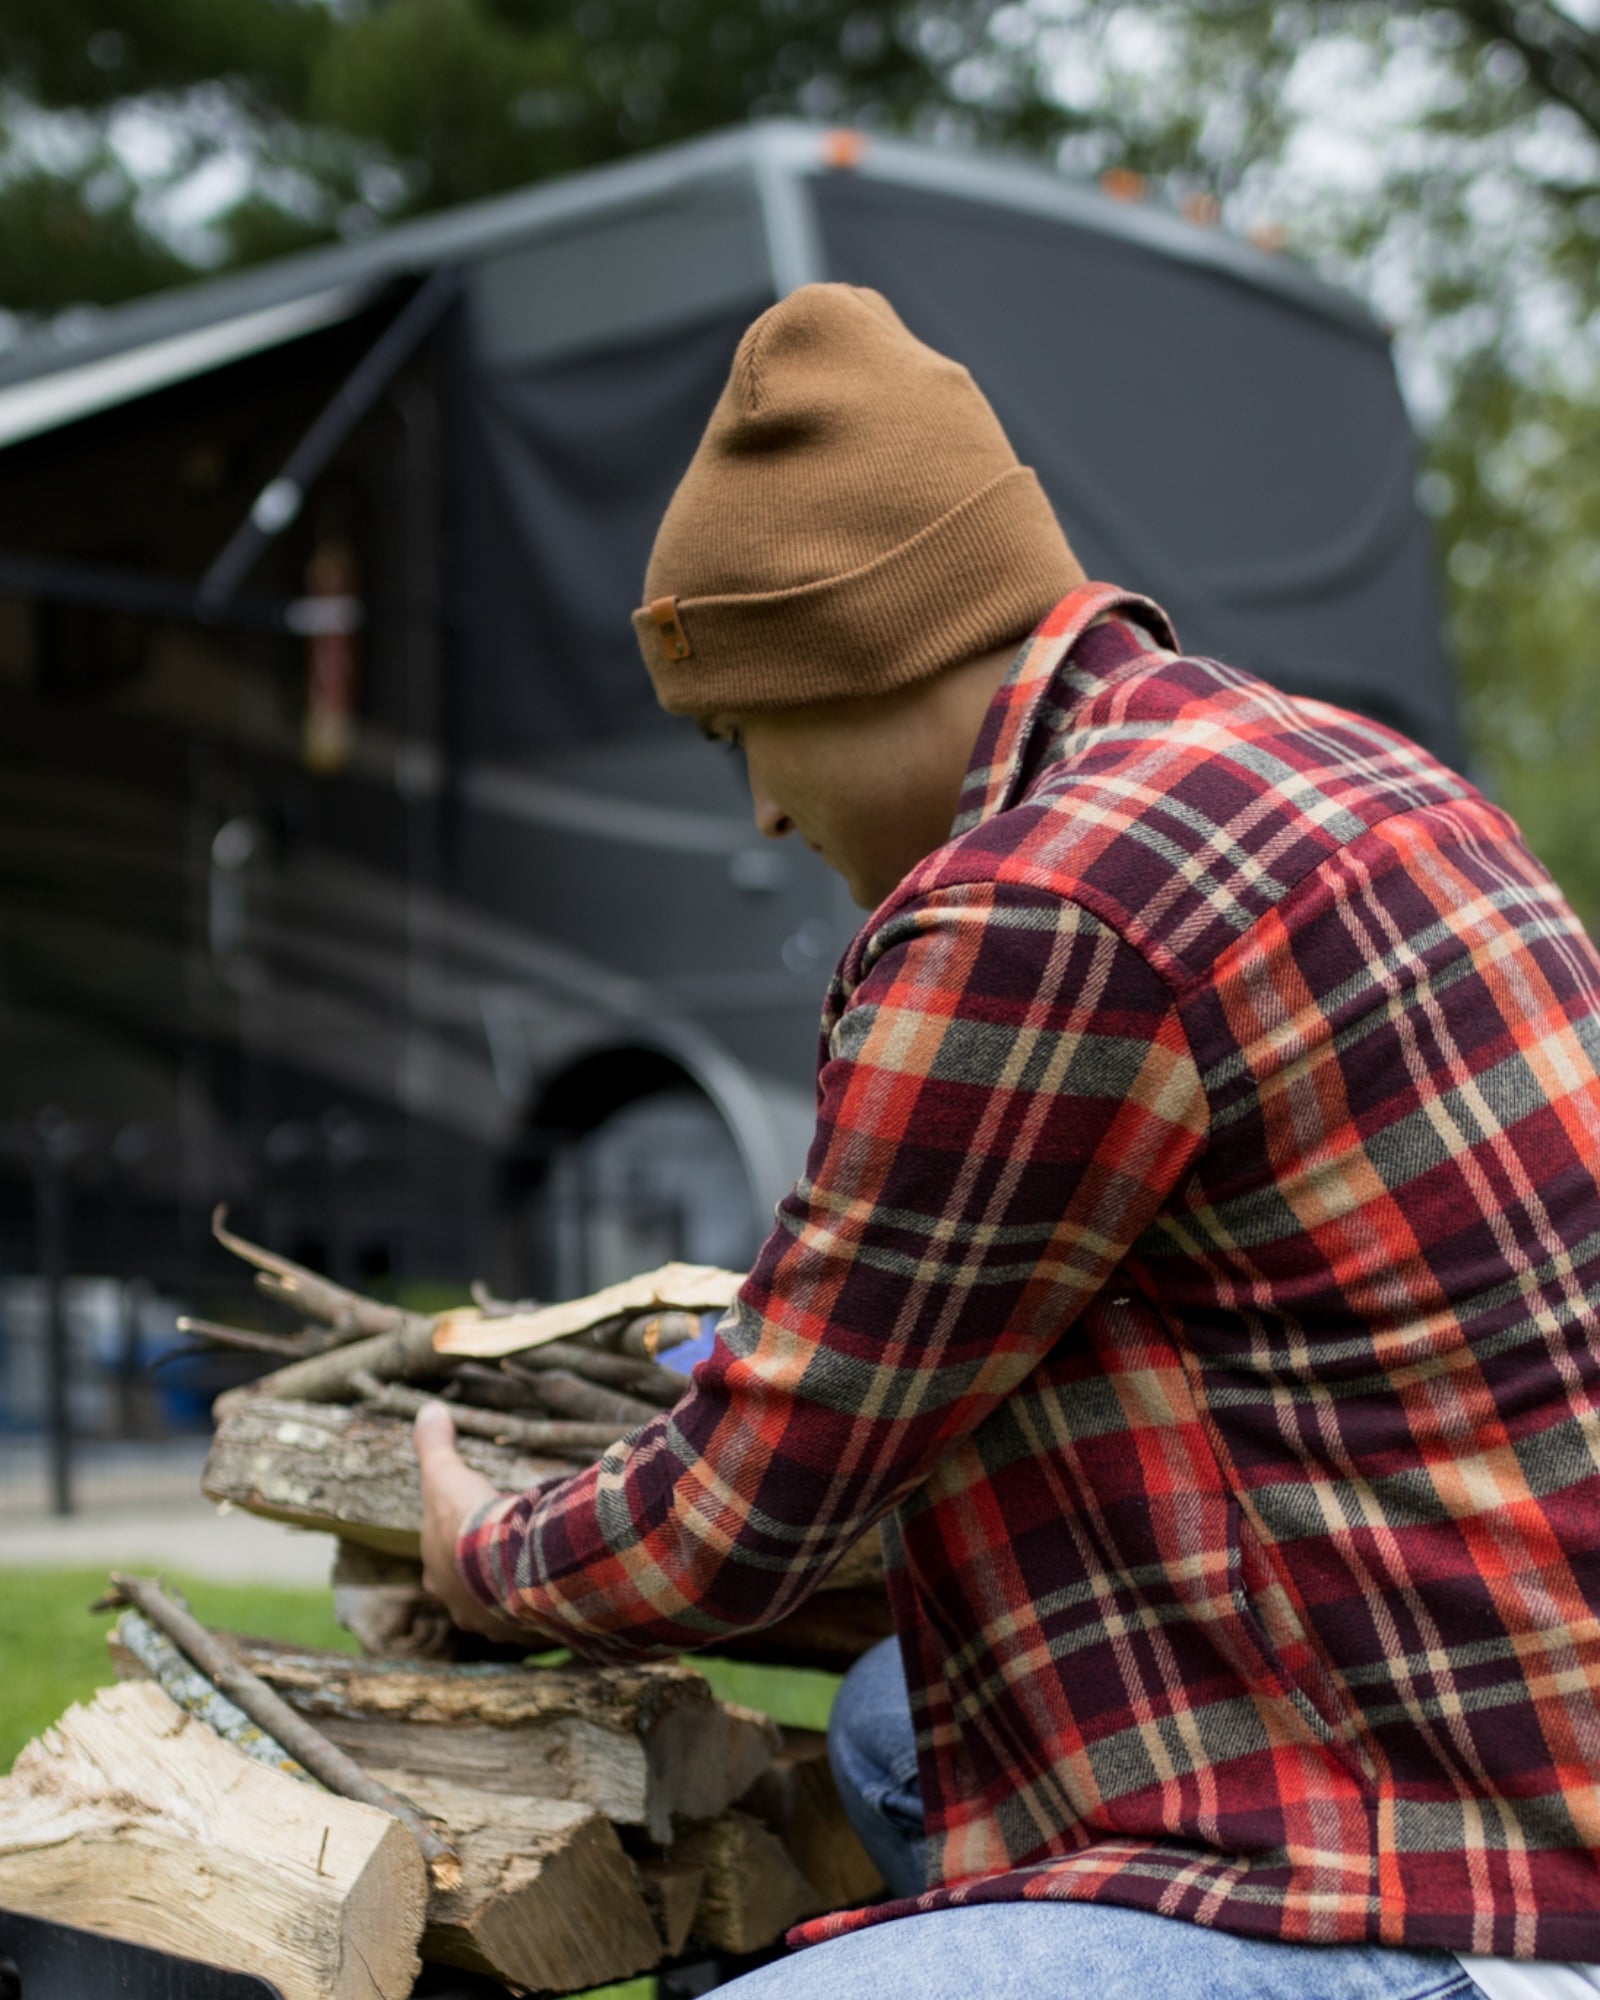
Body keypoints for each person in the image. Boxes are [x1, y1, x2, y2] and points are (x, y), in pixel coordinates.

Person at [415, 284, 1600, 1999]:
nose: (763, 808)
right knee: (902, 1724)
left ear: (867, 659)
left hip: (1473, 1898)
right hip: (1514, 1733)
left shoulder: (1045, 907)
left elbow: (741, 1513)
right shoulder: (1342, 770)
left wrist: (485, 1550)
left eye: (747, 732)